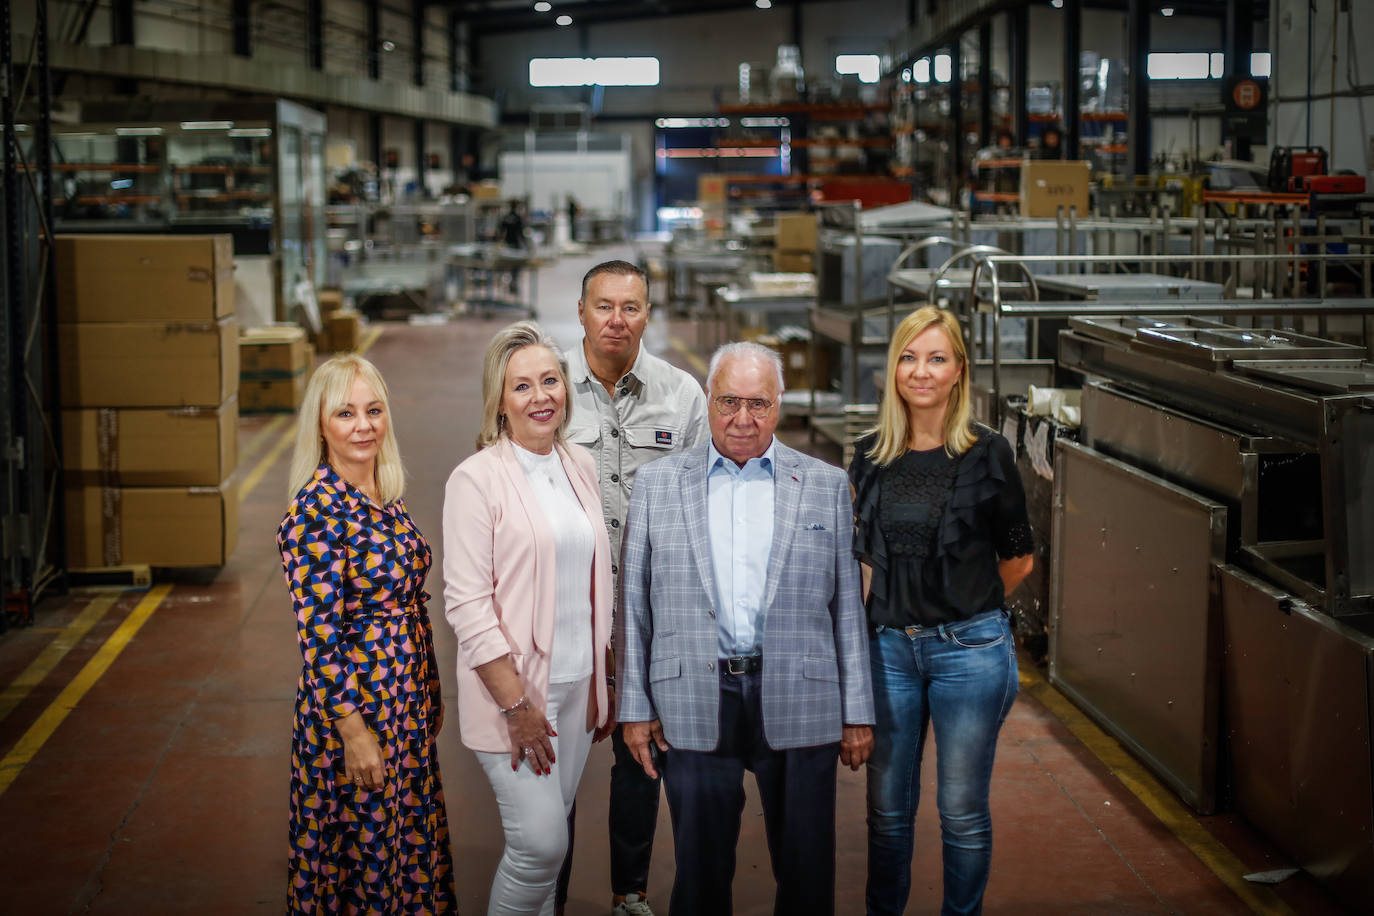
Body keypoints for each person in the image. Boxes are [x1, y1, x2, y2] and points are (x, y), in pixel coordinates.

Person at [617, 341, 876, 916]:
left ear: (779, 404)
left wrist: (858, 710)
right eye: (728, 401)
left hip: (800, 693)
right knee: (701, 870)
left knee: (808, 871)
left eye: (757, 404)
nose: (741, 419)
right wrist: (634, 706)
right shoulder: (659, 485)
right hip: (693, 695)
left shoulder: (825, 485)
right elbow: (633, 605)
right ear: (707, 400)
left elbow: (847, 612)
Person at [848, 306, 1034, 916]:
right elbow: (864, 562)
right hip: (889, 652)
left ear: (958, 371)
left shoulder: (989, 453)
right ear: (892, 368)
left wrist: (964, 612)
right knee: (887, 811)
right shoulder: (870, 454)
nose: (920, 372)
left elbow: (1018, 560)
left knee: (961, 810)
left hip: (969, 654)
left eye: (936, 359)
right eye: (908, 357)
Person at [442, 320, 615, 916]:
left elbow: (595, 580)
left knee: (551, 851)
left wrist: (603, 677)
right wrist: (516, 707)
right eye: (522, 387)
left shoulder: (577, 464)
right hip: (519, 697)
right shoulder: (477, 479)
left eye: (550, 381)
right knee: (539, 847)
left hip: (576, 689)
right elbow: (467, 605)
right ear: (499, 401)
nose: (541, 397)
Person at [278, 354, 457, 914]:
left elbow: (405, 604)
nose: (364, 426)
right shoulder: (315, 513)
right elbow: (320, 642)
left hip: (403, 704)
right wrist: (354, 733)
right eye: (346, 413)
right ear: (321, 425)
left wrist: (428, 687)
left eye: (373, 411)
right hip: (358, 710)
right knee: (365, 855)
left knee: (406, 844)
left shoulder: (383, 495)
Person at [557, 259, 709, 916]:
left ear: (648, 314)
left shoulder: (682, 396)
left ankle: (630, 894)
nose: (616, 320)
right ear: (581, 311)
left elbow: (707, 510)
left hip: (652, 619)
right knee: (551, 775)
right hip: (562, 617)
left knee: (642, 759)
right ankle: (546, 899)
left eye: (631, 307)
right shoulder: (543, 386)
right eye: (603, 306)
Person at [498, 199, 528, 296]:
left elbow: (501, 231)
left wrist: (499, 242)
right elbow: (521, 234)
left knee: (506, 266)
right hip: (515, 244)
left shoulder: (505, 217)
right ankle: (513, 283)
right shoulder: (518, 218)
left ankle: (507, 283)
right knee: (515, 267)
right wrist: (525, 245)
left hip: (508, 244)